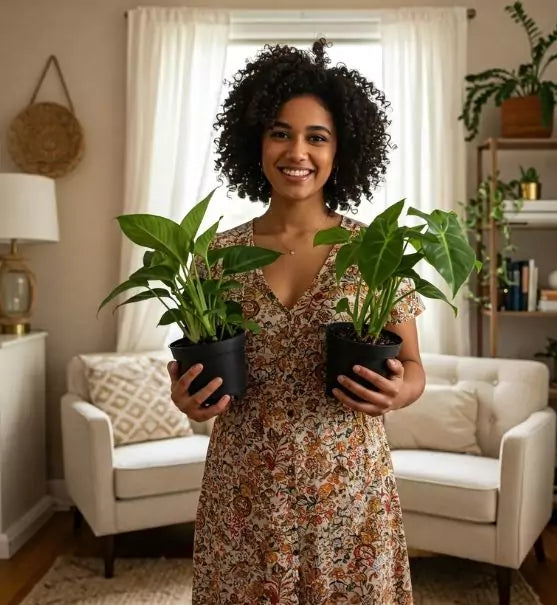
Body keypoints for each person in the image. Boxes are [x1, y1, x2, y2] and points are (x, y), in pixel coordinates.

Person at [167, 39, 426, 604]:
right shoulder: (217, 254)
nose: (297, 151)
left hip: (350, 491)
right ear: (256, 141)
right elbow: (194, 363)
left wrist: (395, 392)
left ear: (342, 150)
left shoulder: (375, 248)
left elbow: (413, 368)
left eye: (318, 137)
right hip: (244, 494)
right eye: (281, 132)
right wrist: (187, 396)